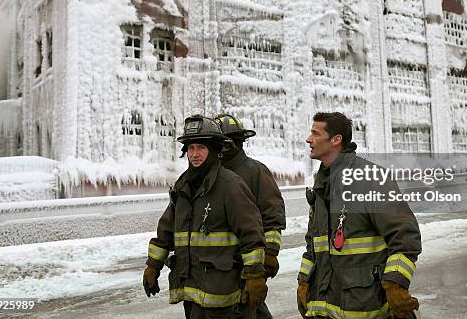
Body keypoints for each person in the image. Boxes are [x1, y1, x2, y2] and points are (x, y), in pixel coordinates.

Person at [297, 112, 422, 319]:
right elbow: (314, 244)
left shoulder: (372, 180)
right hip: (325, 306)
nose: (309, 139)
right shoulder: (321, 184)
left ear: (336, 140)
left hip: (365, 308)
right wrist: (303, 281)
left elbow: (405, 237)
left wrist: (395, 285)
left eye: (315, 133)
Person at [143, 115, 268, 319]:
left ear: (214, 150)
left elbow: (251, 235)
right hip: (191, 288)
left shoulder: (231, 185)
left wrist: (254, 276)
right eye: (191, 148)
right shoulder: (183, 186)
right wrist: (152, 266)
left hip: (222, 293)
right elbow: (166, 230)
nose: (195, 154)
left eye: (201, 148)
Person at [214, 114, 286, 319]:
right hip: (220, 266)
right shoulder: (211, 173)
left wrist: (270, 253)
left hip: (248, 262)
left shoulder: (255, 171)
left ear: (236, 143)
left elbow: (272, 215)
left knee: (247, 307)